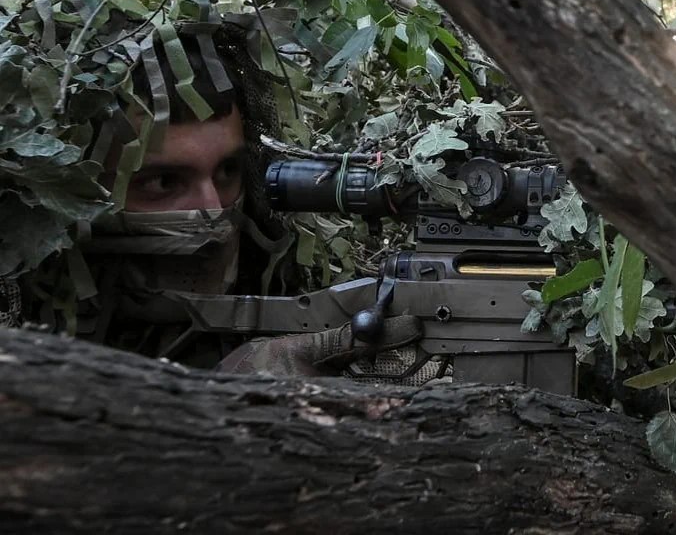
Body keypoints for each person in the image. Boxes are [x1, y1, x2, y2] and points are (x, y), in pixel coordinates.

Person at [6, 21, 429, 381]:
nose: (214, 211)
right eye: (163, 182)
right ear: (62, 195)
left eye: (228, 171)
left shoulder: (312, 299)